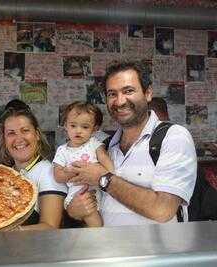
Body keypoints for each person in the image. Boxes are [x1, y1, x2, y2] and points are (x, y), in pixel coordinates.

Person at [67, 60, 197, 226]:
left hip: (157, 252)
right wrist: (74, 209)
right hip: (108, 249)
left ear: (148, 93)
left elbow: (162, 210)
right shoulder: (105, 147)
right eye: (112, 94)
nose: (120, 101)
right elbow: (88, 201)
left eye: (128, 91)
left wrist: (103, 179)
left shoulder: (173, 137)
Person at [0, 100, 78, 230]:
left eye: (25, 130)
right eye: (11, 133)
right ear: (4, 140)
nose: (19, 139)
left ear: (37, 135)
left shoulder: (49, 172)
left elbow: (50, 227)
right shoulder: (6, 174)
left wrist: (6, 232)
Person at [53, 101, 114, 227]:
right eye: (73, 126)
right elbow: (57, 176)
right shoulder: (62, 150)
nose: (78, 131)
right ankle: (99, 240)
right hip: (77, 193)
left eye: (85, 127)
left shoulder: (94, 144)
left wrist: (108, 174)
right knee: (92, 218)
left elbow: (106, 161)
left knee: (105, 217)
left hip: (98, 191)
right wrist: (69, 172)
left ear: (94, 129)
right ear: (65, 125)